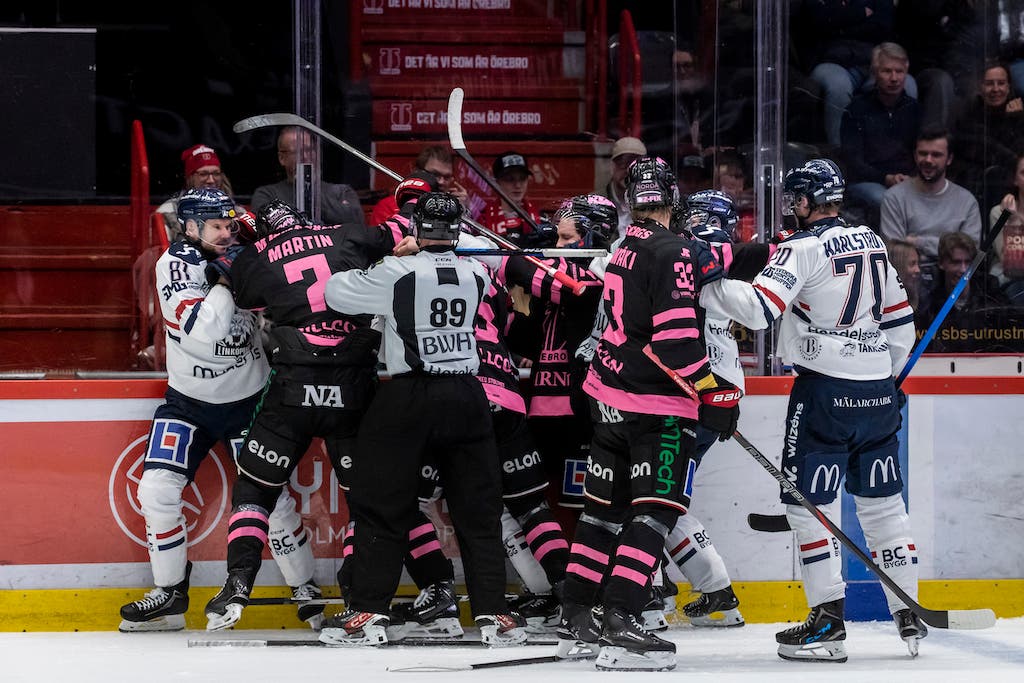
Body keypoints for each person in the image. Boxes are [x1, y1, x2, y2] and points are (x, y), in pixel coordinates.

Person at [701, 159, 925, 662]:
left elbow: (759, 310)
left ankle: (828, 623)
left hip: (824, 395)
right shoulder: (871, 240)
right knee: (884, 505)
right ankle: (908, 610)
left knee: (806, 509)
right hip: (876, 395)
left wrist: (705, 284)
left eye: (794, 200)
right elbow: (900, 324)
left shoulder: (802, 248)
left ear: (803, 202)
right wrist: (883, 378)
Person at [320, 192, 526, 647]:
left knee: (381, 504)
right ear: (456, 231)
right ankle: (495, 615)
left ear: (417, 228)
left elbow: (334, 292)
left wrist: (392, 256)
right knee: (479, 510)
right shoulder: (477, 273)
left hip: (410, 393)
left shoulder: (397, 271)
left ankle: (369, 612)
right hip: (467, 393)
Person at [201, 195, 416, 631]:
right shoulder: (344, 234)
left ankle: (237, 585)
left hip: (293, 388)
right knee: (366, 499)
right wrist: (412, 202)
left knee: (254, 491)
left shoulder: (253, 257)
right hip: (353, 387)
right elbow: (403, 230)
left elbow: (246, 295)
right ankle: (358, 597)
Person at [557, 158, 738, 671]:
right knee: (654, 512)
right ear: (673, 197)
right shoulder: (673, 250)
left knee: (601, 514)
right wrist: (714, 392)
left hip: (607, 401)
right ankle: (622, 619)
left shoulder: (624, 249)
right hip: (654, 410)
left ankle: (578, 617)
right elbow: (678, 344)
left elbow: (702, 264)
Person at [118, 188, 318, 632]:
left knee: (273, 499)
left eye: (230, 225)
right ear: (189, 227)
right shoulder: (174, 265)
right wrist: (230, 279)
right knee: (156, 492)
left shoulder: (246, 251)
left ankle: (304, 587)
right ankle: (170, 593)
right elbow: (203, 329)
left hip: (250, 400)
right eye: (216, 227)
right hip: (188, 403)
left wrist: (266, 246)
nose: (227, 234)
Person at [880, 128, 982, 289]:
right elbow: (895, 252)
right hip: (911, 279)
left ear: (949, 159)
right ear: (915, 156)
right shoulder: (894, 197)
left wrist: (918, 242)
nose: (928, 160)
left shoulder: (967, 201)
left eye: (936, 155)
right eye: (923, 153)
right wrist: (948, 246)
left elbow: (970, 251)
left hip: (953, 278)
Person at [840, 42, 921, 215]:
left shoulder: (914, 109)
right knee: (886, 200)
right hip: (868, 182)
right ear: (875, 73)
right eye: (887, 71)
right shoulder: (856, 109)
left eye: (899, 71)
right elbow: (853, 161)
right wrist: (885, 178)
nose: (894, 78)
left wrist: (911, 178)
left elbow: (920, 152)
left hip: (908, 180)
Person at [920, 232, 1017, 352]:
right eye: (956, 262)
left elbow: (1010, 334)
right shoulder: (930, 299)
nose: (963, 269)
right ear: (941, 263)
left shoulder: (990, 289)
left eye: (968, 262)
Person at [251, 126, 365, 227]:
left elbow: (357, 224)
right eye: (297, 152)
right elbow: (268, 227)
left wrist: (310, 187)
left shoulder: (342, 191)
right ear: (282, 158)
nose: (305, 156)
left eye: (310, 150)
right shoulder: (267, 194)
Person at [155, 144, 240, 242]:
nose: (211, 180)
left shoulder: (238, 211)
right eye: (203, 174)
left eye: (216, 173)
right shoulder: (167, 212)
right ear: (189, 177)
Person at [368, 146, 469, 225]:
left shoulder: (454, 207)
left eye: (446, 177)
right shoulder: (388, 206)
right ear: (417, 172)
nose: (441, 182)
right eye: (434, 174)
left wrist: (464, 211)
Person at [478, 151, 540, 246]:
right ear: (496, 182)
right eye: (510, 179)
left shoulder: (540, 218)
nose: (518, 185)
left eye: (522, 178)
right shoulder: (483, 220)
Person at [990, 152, 1024, 304]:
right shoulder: (999, 213)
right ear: (1015, 179)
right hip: (1009, 284)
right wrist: (1014, 220)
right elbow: (1013, 266)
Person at [602, 137, 647, 238]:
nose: (628, 171)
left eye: (635, 166)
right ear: (611, 166)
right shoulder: (596, 202)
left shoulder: (656, 204)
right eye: (623, 164)